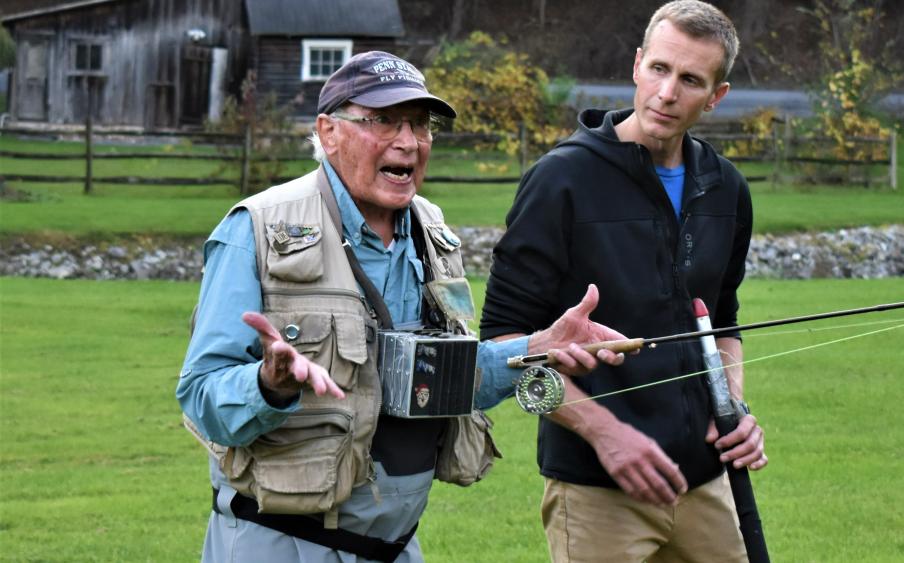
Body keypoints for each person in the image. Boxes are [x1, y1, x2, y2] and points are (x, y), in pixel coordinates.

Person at [177, 50, 625, 563]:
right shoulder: (255, 230)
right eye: (383, 121)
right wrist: (268, 386)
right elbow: (200, 395)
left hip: (396, 547)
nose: (408, 142)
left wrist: (539, 347)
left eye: (419, 124)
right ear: (328, 132)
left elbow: (443, 373)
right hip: (281, 544)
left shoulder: (433, 232)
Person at [479, 2, 767, 561]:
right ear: (637, 64)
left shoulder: (727, 187)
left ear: (716, 95)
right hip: (595, 490)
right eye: (659, 69)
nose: (667, 92)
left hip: (707, 482)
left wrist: (734, 407)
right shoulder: (560, 180)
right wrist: (605, 433)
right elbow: (502, 345)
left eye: (690, 80)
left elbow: (722, 319)